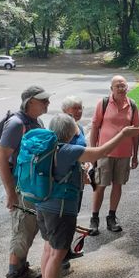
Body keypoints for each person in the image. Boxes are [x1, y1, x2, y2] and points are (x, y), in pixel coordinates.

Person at [36, 114, 139, 278]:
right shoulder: (68, 149)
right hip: (60, 209)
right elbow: (101, 152)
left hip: (43, 205)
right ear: (69, 132)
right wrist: (123, 134)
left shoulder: (48, 147)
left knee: (49, 250)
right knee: (58, 253)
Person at [0, 86, 51, 278]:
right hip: (21, 188)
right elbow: (1, 157)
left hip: (33, 188)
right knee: (21, 231)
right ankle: (12, 277)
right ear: (30, 102)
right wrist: (10, 192)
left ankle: (22, 268)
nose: (47, 103)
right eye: (43, 100)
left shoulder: (35, 122)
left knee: (29, 230)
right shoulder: (16, 124)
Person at [89, 75, 139, 234]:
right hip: (104, 152)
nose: (121, 88)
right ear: (111, 88)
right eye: (118, 85)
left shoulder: (132, 105)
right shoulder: (103, 103)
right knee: (101, 185)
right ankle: (94, 218)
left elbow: (136, 132)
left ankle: (111, 217)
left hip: (124, 154)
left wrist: (135, 155)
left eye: (124, 85)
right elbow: (95, 128)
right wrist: (93, 152)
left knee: (118, 185)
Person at [61, 96, 88, 267]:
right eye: (74, 109)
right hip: (65, 180)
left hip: (78, 177)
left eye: (80, 108)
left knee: (73, 215)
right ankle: (60, 255)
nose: (78, 111)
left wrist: (85, 166)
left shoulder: (80, 127)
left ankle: (67, 250)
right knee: (64, 217)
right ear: (65, 111)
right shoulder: (63, 128)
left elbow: (82, 150)